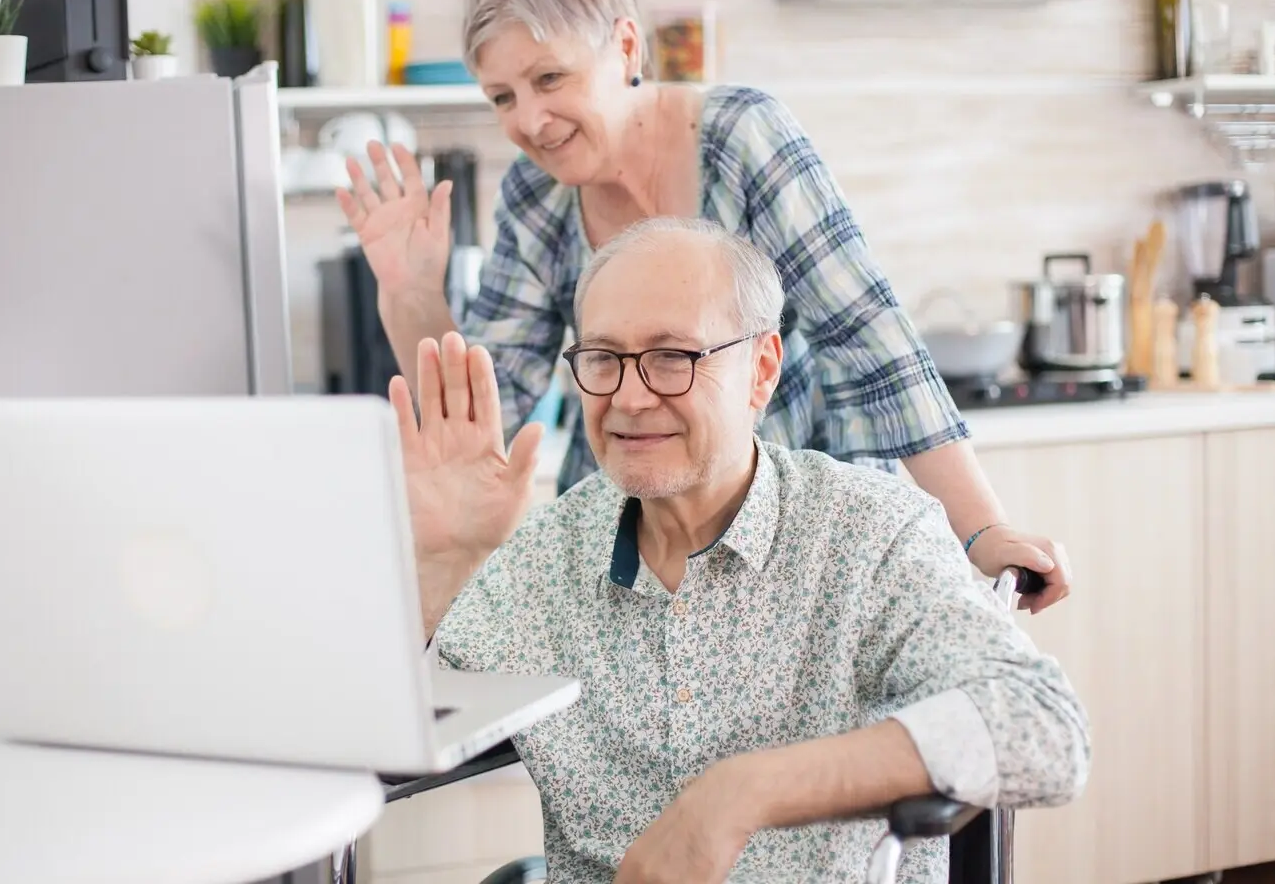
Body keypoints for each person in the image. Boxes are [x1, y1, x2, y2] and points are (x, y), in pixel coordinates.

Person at [337, 0, 1074, 613]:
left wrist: (980, 530)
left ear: (625, 46)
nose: (527, 119)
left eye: (549, 79)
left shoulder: (740, 137)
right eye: (501, 97)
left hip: (797, 527)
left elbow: (871, 342)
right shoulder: (537, 195)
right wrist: (410, 291)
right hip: (638, 540)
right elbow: (485, 413)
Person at [392, 218, 1090, 884]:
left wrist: (739, 793)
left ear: (762, 370)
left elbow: (1044, 728)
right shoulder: (544, 560)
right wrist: (438, 580)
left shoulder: (871, 535)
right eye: (603, 359)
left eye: (671, 357)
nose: (629, 398)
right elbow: (388, 742)